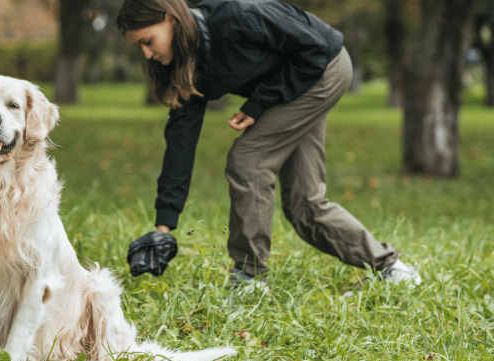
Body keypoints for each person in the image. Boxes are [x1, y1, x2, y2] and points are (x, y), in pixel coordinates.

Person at [117, 0, 421, 287]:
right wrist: (163, 229)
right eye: (138, 47)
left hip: (323, 68)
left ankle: (249, 278)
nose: (146, 54)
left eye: (148, 41)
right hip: (294, 83)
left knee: (248, 160)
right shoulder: (186, 65)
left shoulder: (236, 18)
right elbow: (180, 144)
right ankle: (392, 269)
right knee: (305, 204)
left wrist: (257, 104)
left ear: (170, 19)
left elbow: (315, 49)